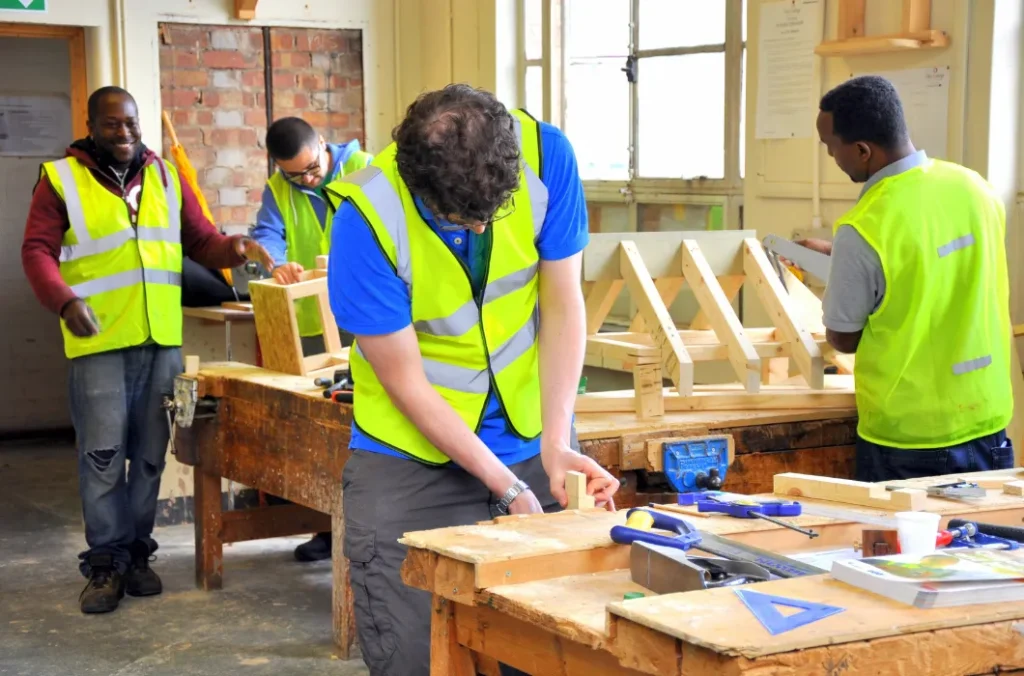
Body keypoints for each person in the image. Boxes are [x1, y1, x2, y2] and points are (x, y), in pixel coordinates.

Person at [324, 84, 621, 676]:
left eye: (495, 214)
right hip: (407, 450)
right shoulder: (365, 219)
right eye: (465, 219)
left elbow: (562, 304)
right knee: (415, 651)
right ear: (419, 187)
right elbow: (406, 383)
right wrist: (505, 487)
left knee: (554, 640)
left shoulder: (546, 157)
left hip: (528, 429)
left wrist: (556, 441)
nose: (483, 231)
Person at [21, 86, 273, 614]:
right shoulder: (60, 179)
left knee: (151, 457)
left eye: (132, 123)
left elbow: (199, 241)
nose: (125, 133)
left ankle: (138, 555)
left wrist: (236, 247)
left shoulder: (162, 174)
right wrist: (64, 302)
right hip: (100, 343)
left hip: (161, 341)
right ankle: (106, 563)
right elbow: (37, 251)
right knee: (104, 457)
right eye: (113, 124)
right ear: (91, 125)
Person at [797, 75, 1013, 482]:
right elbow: (938, 263)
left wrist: (848, 270)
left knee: (899, 545)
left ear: (862, 150)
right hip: (987, 419)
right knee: (986, 545)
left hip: (910, 437)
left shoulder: (865, 226)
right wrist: (840, 257)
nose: (833, 157)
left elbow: (844, 337)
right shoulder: (975, 187)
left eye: (831, 148)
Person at [252, 117, 373, 563]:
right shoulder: (279, 188)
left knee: (356, 428)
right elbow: (265, 233)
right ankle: (325, 529)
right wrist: (277, 262)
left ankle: (361, 531)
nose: (307, 179)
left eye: (311, 169)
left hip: (361, 316)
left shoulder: (364, 166)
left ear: (323, 144)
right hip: (309, 319)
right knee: (316, 430)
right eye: (295, 174)